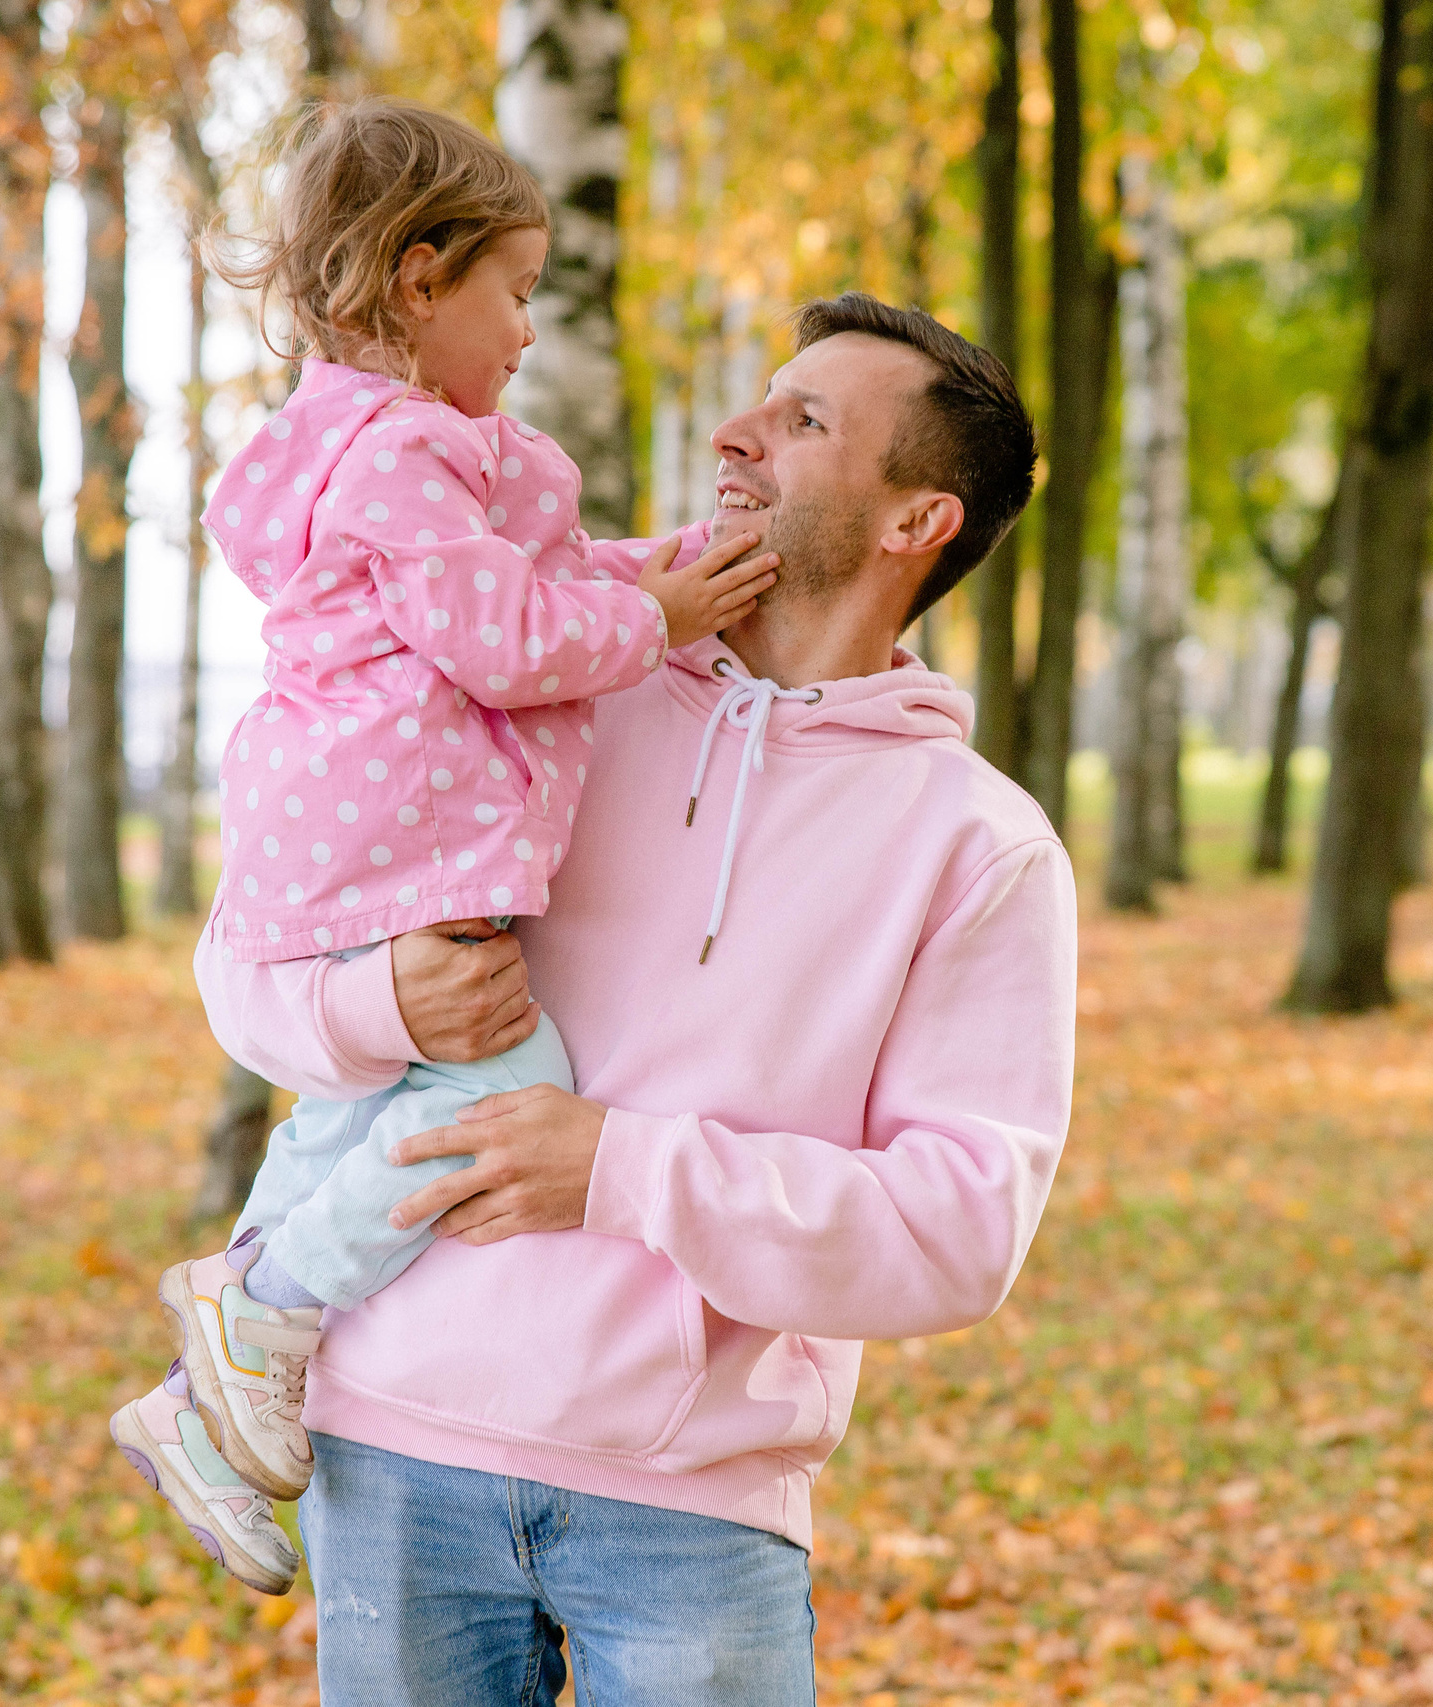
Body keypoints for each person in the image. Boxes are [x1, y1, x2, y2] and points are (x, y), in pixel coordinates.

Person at [181, 286, 1070, 1701]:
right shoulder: (540, 678)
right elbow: (244, 966)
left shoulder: (979, 846)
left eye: (805, 420)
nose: (738, 433)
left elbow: (957, 1232)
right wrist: (384, 1012)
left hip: (694, 1510)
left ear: (917, 522)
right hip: (396, 1453)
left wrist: (620, 1170)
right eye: (760, 400)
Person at [105, 96, 780, 1591]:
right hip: (386, 842)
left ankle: (206, 1404)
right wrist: (656, 617)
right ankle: (267, 1309)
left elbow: (517, 580)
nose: (530, 335)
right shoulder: (405, 451)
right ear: (421, 279)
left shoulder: (387, 454)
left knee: (358, 1114)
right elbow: (504, 634)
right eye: (518, 292)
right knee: (502, 1089)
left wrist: (657, 568)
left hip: (348, 838)